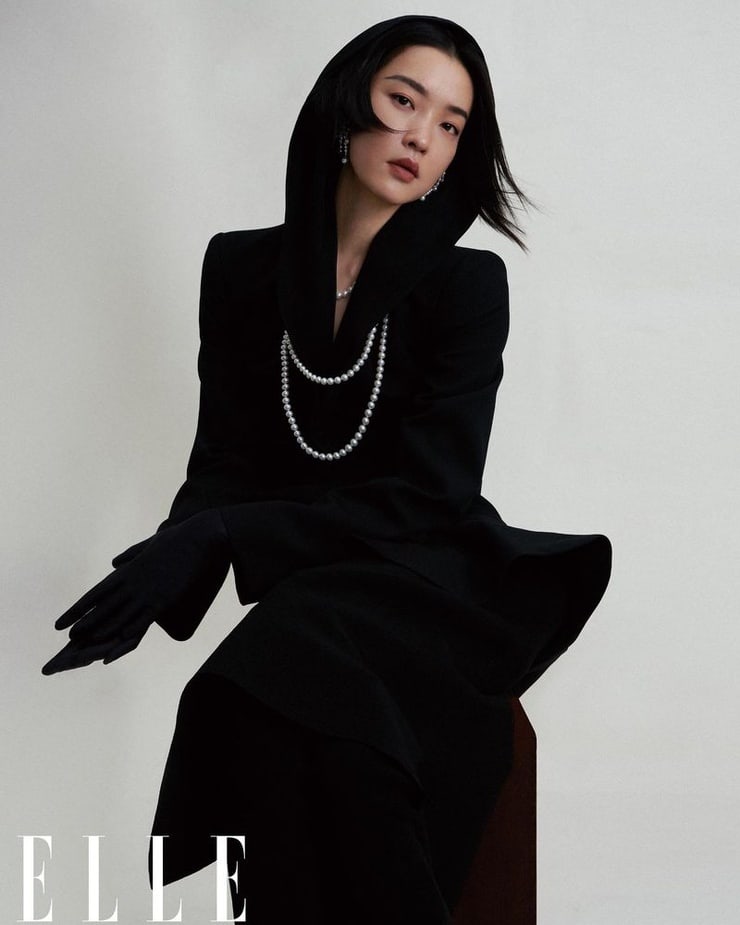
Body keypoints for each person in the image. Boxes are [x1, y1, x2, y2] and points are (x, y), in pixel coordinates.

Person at [42, 15, 611, 924]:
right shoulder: (240, 269)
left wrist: (226, 536)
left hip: (428, 577)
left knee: (273, 676)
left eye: (451, 124)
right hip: (318, 596)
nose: (422, 136)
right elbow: (226, 460)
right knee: (296, 713)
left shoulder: (467, 284)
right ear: (346, 106)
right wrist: (168, 561)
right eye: (404, 101)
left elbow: (432, 494)